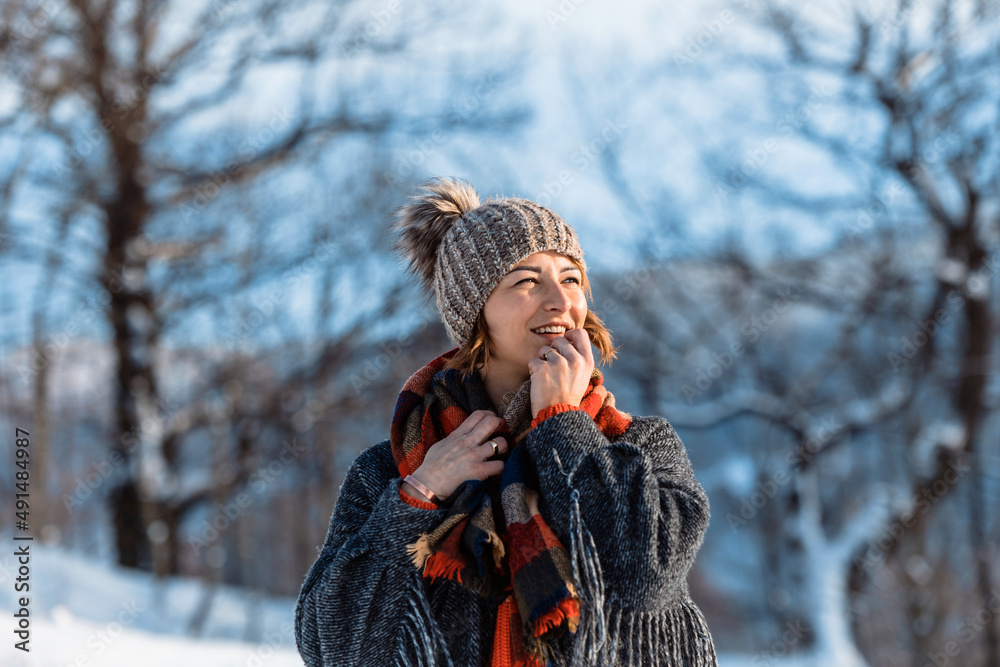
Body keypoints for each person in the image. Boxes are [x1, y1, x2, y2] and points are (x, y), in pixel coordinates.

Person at [294, 177, 718, 667]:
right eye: (526, 280)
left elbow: (643, 578)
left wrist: (562, 423)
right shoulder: (389, 471)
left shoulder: (640, 445)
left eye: (572, 278)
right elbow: (331, 646)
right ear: (475, 313)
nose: (560, 300)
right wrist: (420, 494)